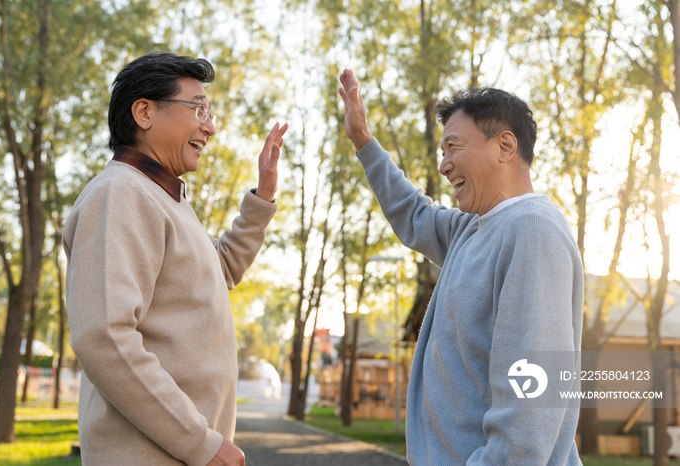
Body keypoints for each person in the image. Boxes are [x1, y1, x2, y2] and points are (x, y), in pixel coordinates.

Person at [339, 69, 583, 465]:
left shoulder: (532, 231)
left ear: (505, 146)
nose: (444, 165)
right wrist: (364, 141)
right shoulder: (473, 227)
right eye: (442, 152)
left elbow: (532, 398)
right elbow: (413, 213)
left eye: (453, 147)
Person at [63, 52, 287, 466]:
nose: (210, 126)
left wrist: (263, 197)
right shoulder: (121, 194)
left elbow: (218, 273)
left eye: (210, 111)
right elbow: (104, 336)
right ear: (144, 112)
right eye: (198, 108)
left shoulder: (165, 198)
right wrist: (200, 443)